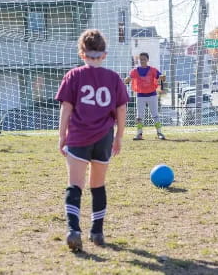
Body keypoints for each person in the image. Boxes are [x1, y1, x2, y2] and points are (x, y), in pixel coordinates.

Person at [55, 29, 128, 252]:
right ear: (104, 54)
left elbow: (66, 109)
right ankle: (97, 232)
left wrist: (61, 136)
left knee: (75, 184)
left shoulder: (74, 75)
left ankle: (73, 230)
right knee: (98, 185)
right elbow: (122, 109)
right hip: (104, 137)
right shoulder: (114, 77)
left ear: (82, 53)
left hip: (79, 136)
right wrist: (119, 137)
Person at [125, 52, 166, 140]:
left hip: (152, 95)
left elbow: (161, 76)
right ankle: (139, 134)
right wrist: (127, 79)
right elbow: (128, 79)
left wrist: (162, 77)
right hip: (140, 96)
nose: (142, 61)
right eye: (141, 59)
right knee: (139, 116)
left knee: (155, 115)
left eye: (144, 59)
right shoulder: (134, 71)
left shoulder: (153, 70)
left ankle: (159, 133)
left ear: (147, 60)